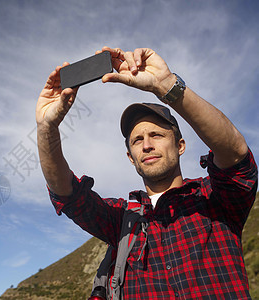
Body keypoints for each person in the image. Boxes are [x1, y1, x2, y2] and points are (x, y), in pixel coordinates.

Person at [36, 47, 258, 299]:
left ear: (180, 145)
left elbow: (236, 154)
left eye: (157, 135)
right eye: (137, 140)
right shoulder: (121, 221)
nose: (147, 145)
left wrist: (167, 86)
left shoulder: (215, 199)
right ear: (131, 157)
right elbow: (67, 194)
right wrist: (47, 126)